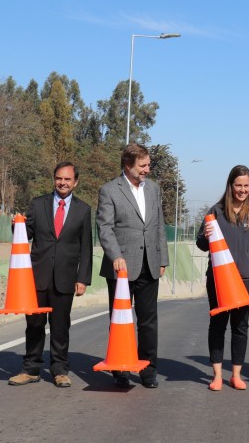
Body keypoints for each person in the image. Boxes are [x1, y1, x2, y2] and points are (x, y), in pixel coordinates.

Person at [8, 162, 93, 388]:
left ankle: (59, 369)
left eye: (67, 179)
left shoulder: (83, 210)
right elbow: (26, 233)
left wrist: (83, 278)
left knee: (60, 326)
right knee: (34, 324)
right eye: (59, 178)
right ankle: (31, 369)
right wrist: (16, 224)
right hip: (37, 277)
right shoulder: (38, 204)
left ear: (75, 182)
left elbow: (86, 247)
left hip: (65, 278)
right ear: (54, 179)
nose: (62, 183)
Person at [97, 143, 169, 388]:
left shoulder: (154, 190)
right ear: (128, 165)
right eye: (142, 165)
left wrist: (163, 259)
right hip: (121, 268)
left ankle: (148, 369)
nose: (147, 169)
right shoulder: (109, 190)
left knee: (149, 321)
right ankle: (120, 367)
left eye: (148, 164)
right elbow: (104, 228)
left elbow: (159, 225)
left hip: (150, 264)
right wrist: (115, 255)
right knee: (120, 321)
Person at [196, 165, 249, 391]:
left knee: (241, 327)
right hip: (218, 281)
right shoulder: (217, 211)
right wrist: (205, 236)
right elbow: (201, 244)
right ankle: (217, 375)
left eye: (246, 185)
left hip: (246, 280)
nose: (242, 190)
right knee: (218, 325)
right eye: (238, 185)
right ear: (230, 186)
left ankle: (236, 374)